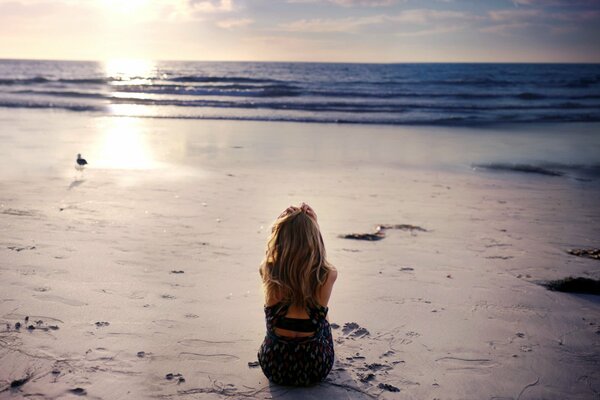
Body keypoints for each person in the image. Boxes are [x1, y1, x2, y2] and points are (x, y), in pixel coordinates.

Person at [257, 203, 338, 386]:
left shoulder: (268, 271)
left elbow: (269, 256)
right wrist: (314, 226)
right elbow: (321, 259)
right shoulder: (327, 275)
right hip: (315, 368)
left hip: (274, 366)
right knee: (322, 319)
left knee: (277, 325)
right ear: (314, 239)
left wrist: (278, 224)